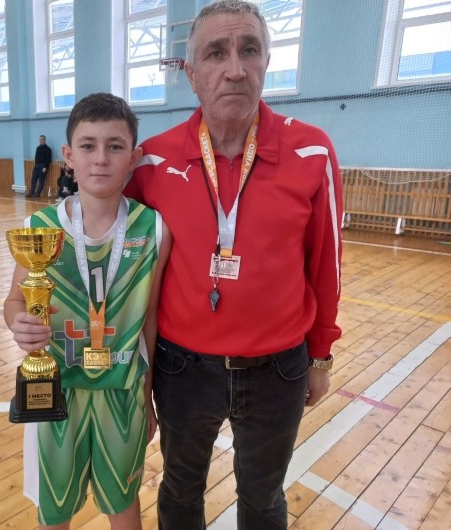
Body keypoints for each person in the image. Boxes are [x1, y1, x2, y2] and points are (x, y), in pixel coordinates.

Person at [123, 2, 343, 529]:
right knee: (180, 491)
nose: (236, 69)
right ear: (191, 73)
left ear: (267, 61)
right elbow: (117, 258)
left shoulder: (312, 151)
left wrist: (320, 355)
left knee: (263, 499)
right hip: (181, 368)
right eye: (216, 53)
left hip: (278, 369)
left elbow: (326, 264)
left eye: (249, 50)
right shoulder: (152, 160)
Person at [4, 92, 172, 529]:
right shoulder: (39, 229)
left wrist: (149, 397)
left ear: (133, 157)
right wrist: (19, 324)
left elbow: (150, 321)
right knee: (55, 510)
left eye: (115, 146)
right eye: (88, 145)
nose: (100, 158)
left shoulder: (153, 228)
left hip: (124, 393)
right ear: (68, 155)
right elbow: (15, 300)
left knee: (123, 504)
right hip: (56, 394)